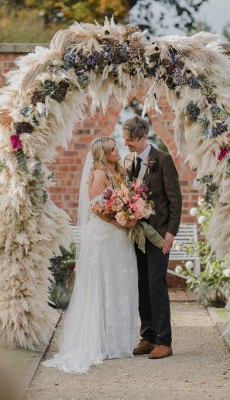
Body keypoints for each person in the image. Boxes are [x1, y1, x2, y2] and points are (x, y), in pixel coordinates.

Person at [42, 136, 139, 373]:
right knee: (103, 285)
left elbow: (123, 199)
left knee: (119, 283)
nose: (118, 151)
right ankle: (101, 340)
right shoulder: (98, 174)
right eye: (113, 149)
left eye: (116, 148)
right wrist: (122, 221)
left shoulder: (120, 171)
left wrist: (130, 213)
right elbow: (96, 208)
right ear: (104, 155)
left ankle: (117, 340)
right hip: (105, 236)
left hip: (120, 237)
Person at [122, 116, 182, 360]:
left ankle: (164, 341)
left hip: (159, 234)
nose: (126, 144)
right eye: (125, 140)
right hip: (137, 234)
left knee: (156, 283)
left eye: (130, 141)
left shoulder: (164, 160)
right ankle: (147, 337)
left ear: (143, 137)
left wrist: (170, 232)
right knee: (142, 285)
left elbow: (175, 200)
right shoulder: (129, 160)